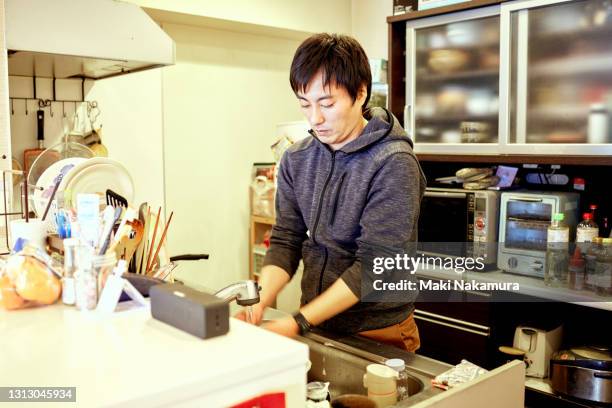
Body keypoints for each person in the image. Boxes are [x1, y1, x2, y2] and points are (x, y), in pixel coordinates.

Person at [236, 33, 426, 352]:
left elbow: (374, 264)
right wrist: (259, 303)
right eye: (305, 104)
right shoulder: (297, 159)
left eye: (327, 103)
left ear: (361, 93)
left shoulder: (393, 163)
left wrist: (297, 322)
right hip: (317, 321)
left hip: (378, 331)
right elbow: (285, 238)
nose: (315, 118)